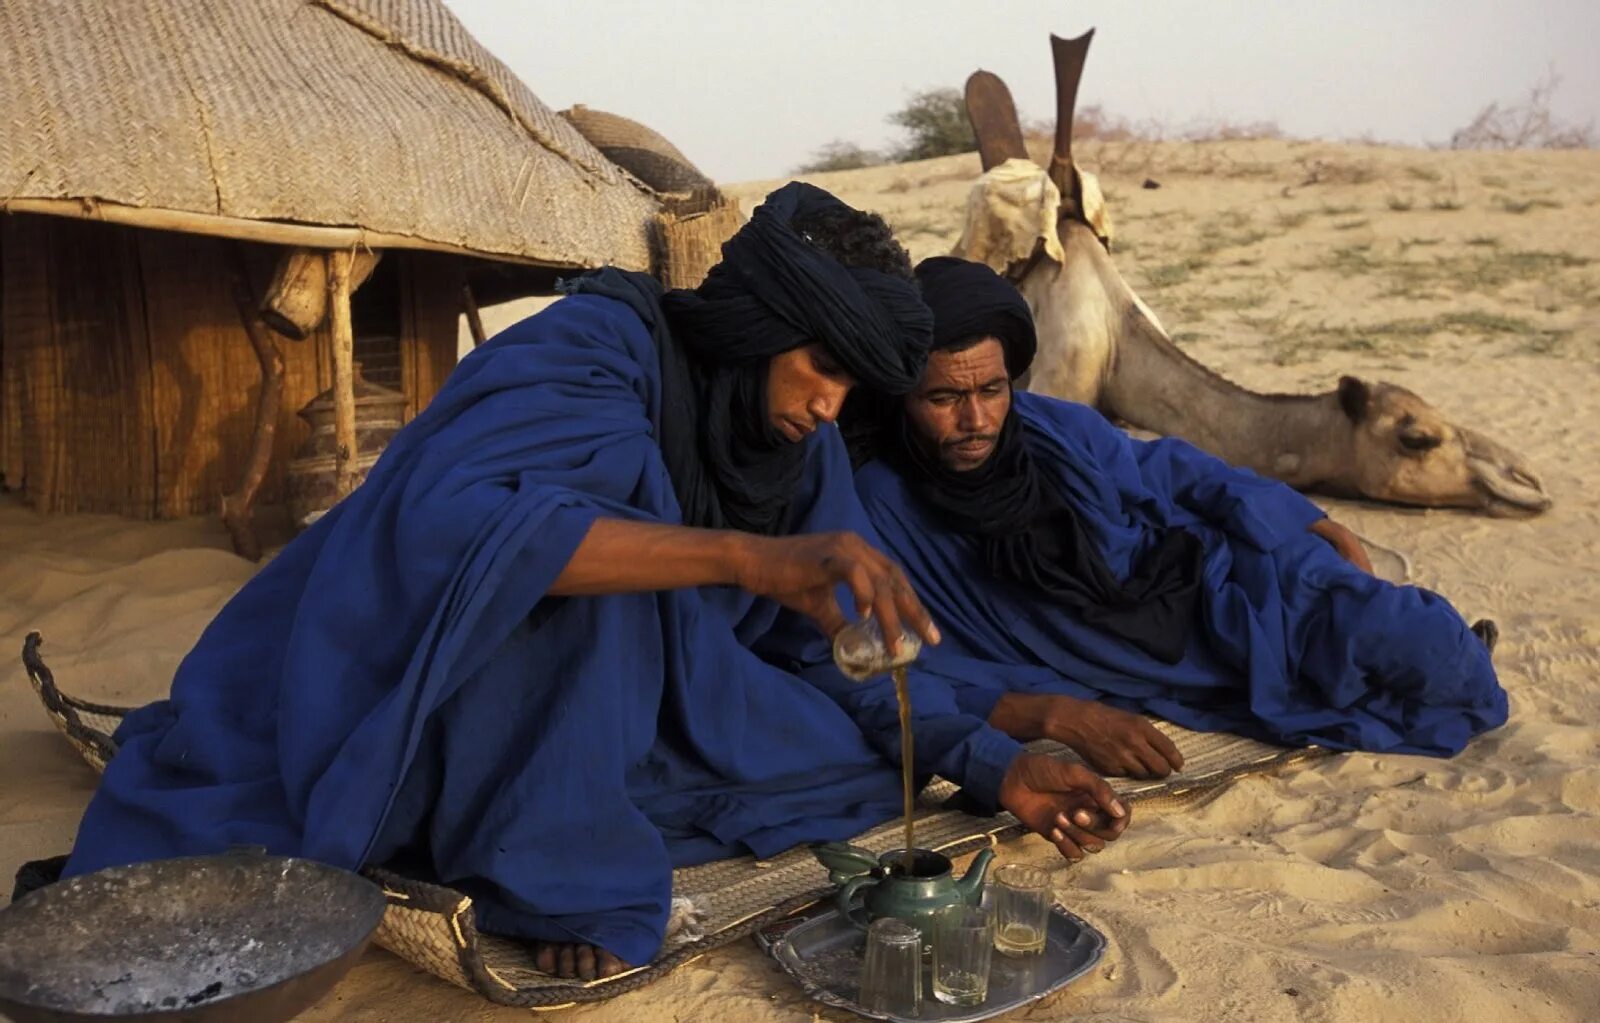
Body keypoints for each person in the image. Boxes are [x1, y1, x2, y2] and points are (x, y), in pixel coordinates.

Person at [60, 188, 1126, 982]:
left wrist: (992, 761)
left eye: (857, 388)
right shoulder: (596, 345)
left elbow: (829, 653)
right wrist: (751, 559)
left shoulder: (801, 452)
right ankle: (548, 860)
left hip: (622, 698)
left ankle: (546, 815)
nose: (830, 407)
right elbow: (466, 535)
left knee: (833, 762)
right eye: (824, 371)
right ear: (759, 333)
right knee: (602, 554)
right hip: (395, 660)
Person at [847, 256, 1507, 781]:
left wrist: (1302, 517)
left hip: (1207, 576)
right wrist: (1053, 714)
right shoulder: (881, 506)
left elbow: (1169, 470)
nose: (976, 419)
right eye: (943, 397)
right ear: (903, 395)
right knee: (1359, 669)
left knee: (1413, 638)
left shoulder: (1053, 426)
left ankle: (1445, 650)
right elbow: (906, 669)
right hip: (1130, 653)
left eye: (991, 390)